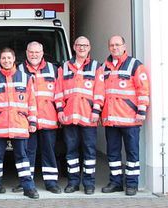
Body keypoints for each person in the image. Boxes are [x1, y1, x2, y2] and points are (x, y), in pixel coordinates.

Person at [0, 48, 39, 199]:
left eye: (9, 58)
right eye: (3, 58)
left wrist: (32, 121)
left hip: (19, 124)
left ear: (14, 59)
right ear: (0, 60)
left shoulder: (26, 78)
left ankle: (28, 187)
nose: (6, 61)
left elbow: (31, 102)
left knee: (22, 159)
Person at [101, 35, 150, 196]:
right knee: (113, 154)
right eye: (112, 45)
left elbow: (143, 90)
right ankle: (115, 183)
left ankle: (132, 184)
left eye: (117, 44)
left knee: (132, 154)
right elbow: (100, 92)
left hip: (130, 119)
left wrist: (141, 111)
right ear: (109, 47)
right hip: (111, 120)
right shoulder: (104, 67)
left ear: (124, 46)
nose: (114, 47)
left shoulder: (135, 65)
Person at [55, 36, 105, 195]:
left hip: (88, 117)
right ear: (74, 47)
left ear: (89, 47)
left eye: (85, 45)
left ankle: (89, 183)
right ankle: (73, 182)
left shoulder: (97, 67)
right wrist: (60, 110)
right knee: (71, 152)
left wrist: (97, 110)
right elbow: (58, 91)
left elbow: (99, 90)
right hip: (69, 117)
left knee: (89, 152)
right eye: (79, 45)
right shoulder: (64, 67)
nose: (82, 48)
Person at [13, 41, 61, 194]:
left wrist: (60, 113)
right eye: (31, 52)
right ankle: (26, 182)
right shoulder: (18, 70)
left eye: (37, 52)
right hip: (26, 120)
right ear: (26, 53)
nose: (34, 55)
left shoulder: (54, 70)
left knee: (49, 151)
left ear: (42, 53)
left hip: (49, 119)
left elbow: (59, 93)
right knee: (28, 152)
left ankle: (51, 182)